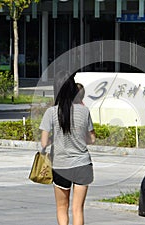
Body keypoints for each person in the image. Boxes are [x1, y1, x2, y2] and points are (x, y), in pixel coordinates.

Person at [39, 74, 96, 225]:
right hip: (83, 164)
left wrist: (54, 139)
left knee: (62, 207)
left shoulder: (51, 112)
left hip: (60, 166)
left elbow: (44, 143)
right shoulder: (84, 111)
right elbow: (92, 139)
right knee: (78, 209)